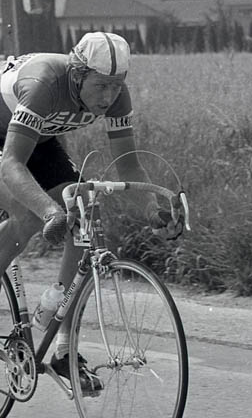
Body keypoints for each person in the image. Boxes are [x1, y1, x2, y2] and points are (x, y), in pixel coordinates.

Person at [0, 32, 180, 392]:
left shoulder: (115, 97)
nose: (108, 97)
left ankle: (64, 350)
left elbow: (128, 168)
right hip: (6, 144)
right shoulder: (44, 84)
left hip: (40, 141)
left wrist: (153, 211)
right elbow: (11, 162)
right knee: (33, 215)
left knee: (83, 211)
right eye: (101, 86)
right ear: (78, 75)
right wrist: (49, 211)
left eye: (117, 86)